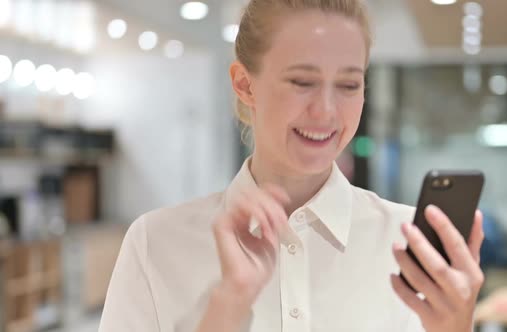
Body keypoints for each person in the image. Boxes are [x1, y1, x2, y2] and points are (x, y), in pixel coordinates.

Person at [98, 0, 485, 331]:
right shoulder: (155, 244)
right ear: (245, 85)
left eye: (349, 85)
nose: (327, 111)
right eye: (302, 81)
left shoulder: (407, 246)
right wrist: (228, 305)